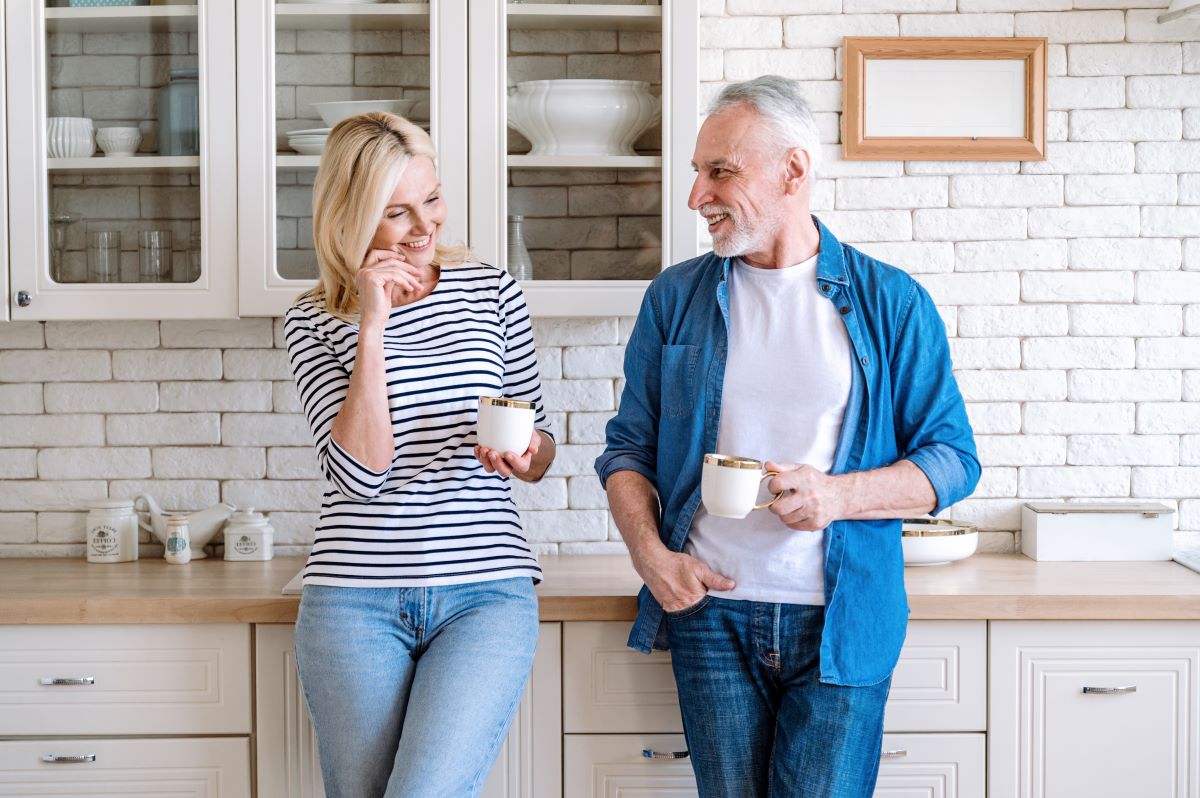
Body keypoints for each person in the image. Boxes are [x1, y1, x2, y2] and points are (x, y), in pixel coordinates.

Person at [595, 75, 980, 797]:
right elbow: (627, 451)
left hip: (841, 621)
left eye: (721, 172)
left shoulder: (890, 302)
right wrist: (651, 556)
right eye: (697, 172)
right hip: (709, 614)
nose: (696, 196)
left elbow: (953, 461)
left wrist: (836, 496)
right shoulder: (675, 299)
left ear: (794, 171)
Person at [283, 112, 556, 797]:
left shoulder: (491, 290)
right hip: (353, 602)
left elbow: (543, 443)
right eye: (396, 212)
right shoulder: (312, 318)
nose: (425, 227)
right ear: (349, 216)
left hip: (485, 594)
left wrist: (528, 454)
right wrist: (372, 325)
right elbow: (358, 475)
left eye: (431, 199)